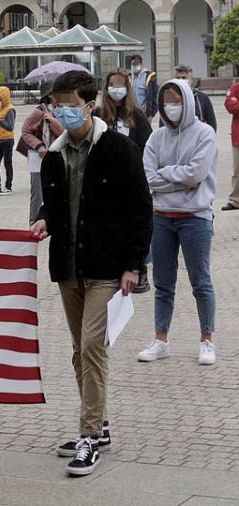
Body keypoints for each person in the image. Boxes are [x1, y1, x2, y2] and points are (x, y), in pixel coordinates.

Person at [31, 70, 152, 477]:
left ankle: (87, 436)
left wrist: (134, 264)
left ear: (89, 105)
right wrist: (44, 220)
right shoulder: (53, 157)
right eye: (57, 104)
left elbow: (140, 209)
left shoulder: (118, 149)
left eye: (69, 104)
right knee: (79, 352)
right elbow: (51, 204)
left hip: (107, 267)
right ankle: (99, 426)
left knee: (92, 347)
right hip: (68, 267)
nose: (61, 111)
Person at [136, 79, 218, 366]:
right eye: (166, 100)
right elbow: (148, 177)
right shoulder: (156, 138)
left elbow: (196, 174)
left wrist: (166, 177)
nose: (171, 106)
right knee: (163, 283)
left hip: (195, 218)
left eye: (176, 99)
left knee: (201, 282)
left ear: (188, 101)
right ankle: (161, 339)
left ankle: (207, 340)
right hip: (161, 218)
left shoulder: (204, 134)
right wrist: (179, 182)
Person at [95, 68, 155, 293]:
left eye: (120, 85)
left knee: (136, 224)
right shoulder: (99, 115)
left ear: (127, 88)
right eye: (112, 84)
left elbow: (148, 148)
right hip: (104, 181)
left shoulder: (136, 117)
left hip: (131, 179)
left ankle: (141, 268)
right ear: (106, 87)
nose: (116, 89)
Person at [20, 82, 64, 225]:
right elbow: (25, 131)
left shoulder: (63, 111)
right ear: (50, 95)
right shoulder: (39, 112)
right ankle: (34, 222)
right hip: (38, 158)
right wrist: (39, 146)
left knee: (58, 190)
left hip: (58, 155)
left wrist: (53, 122)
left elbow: (64, 133)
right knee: (37, 193)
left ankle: (56, 221)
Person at [172, 64, 216, 132]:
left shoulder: (202, 97)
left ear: (191, 79)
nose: (180, 80)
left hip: (198, 136)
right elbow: (163, 122)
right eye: (178, 78)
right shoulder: (170, 97)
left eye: (184, 78)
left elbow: (211, 121)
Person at [0, 86, 15, 195]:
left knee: (7, 163)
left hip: (7, 140)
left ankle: (8, 186)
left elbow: (10, 126)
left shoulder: (10, 109)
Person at [129, 54, 158, 121]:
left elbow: (155, 95)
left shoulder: (149, 77)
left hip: (145, 114)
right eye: (133, 64)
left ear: (141, 64)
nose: (135, 66)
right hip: (131, 113)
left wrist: (152, 113)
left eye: (137, 64)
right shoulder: (129, 78)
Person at [224, 81, 239, 211]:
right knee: (237, 170)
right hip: (238, 136)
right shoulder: (235, 87)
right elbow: (230, 106)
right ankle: (235, 200)